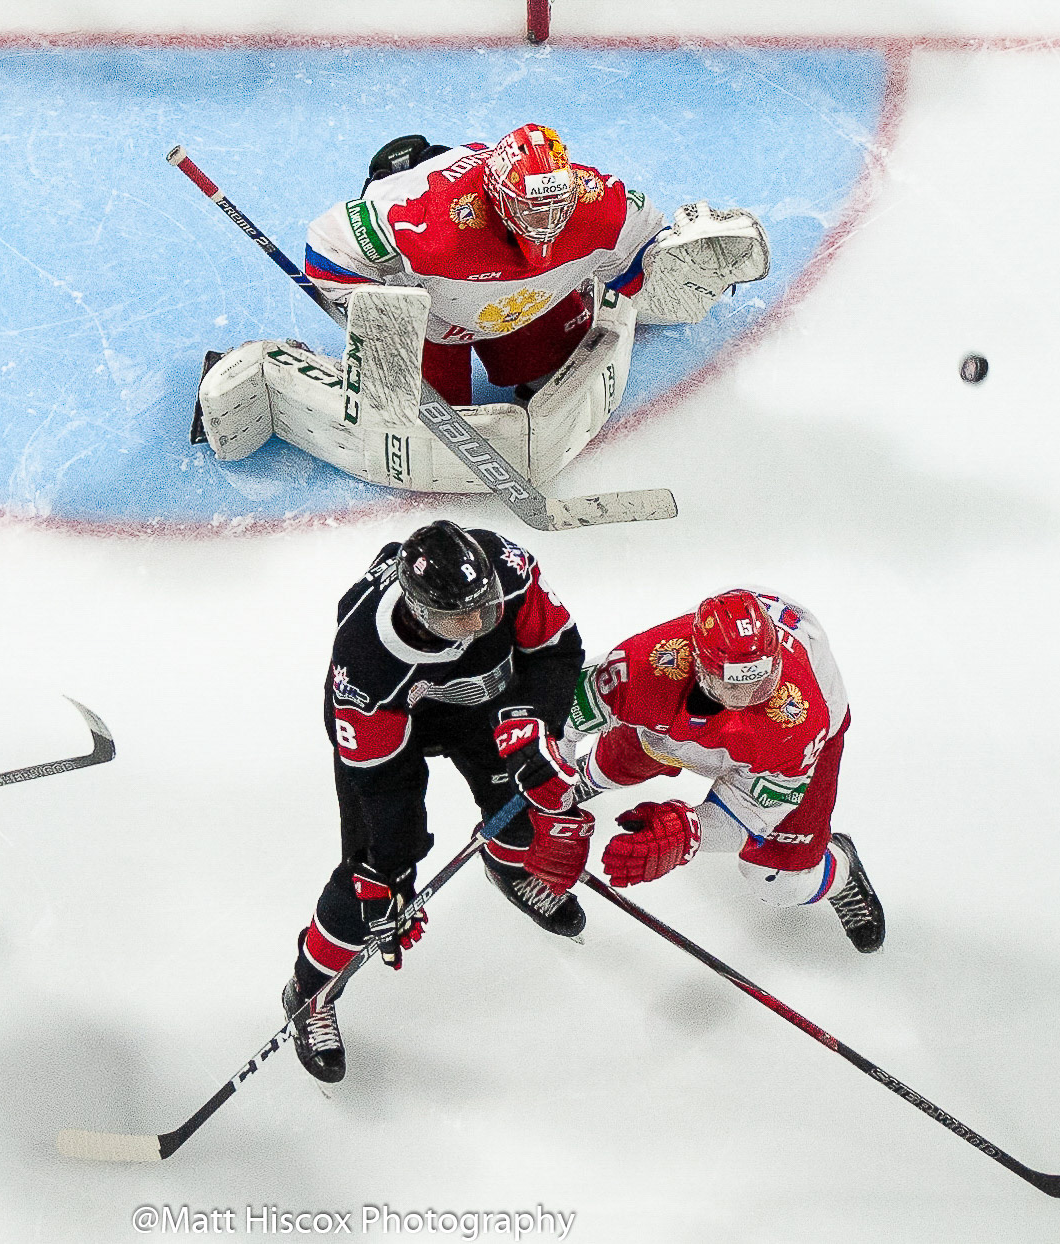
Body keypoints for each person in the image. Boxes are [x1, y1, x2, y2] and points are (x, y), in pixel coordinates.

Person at [192, 123, 769, 493]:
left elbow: (642, 257)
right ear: (495, 196)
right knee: (415, 420)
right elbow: (327, 247)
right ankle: (286, 362)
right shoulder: (424, 216)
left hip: (529, 303)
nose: (546, 224)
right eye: (529, 209)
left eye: (556, 207)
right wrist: (380, 316)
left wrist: (678, 263)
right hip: (438, 321)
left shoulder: (602, 202)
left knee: (553, 375)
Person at [282, 521, 593, 1084]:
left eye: (484, 608)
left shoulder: (507, 567)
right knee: (372, 878)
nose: (477, 625)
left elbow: (558, 651)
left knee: (526, 806)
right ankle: (310, 991)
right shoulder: (366, 662)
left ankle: (507, 868)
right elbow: (384, 783)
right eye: (457, 618)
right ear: (419, 611)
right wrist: (394, 870)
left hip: (487, 710)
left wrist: (533, 722)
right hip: (391, 738)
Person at [559, 589, 884, 952]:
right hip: (688, 700)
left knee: (779, 881)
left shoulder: (798, 720)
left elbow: (750, 813)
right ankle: (591, 777)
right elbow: (561, 716)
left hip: (785, 747)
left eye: (760, 682)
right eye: (734, 684)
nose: (748, 697)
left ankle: (841, 873)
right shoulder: (648, 664)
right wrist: (552, 782)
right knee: (616, 762)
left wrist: (686, 832)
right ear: (699, 663)